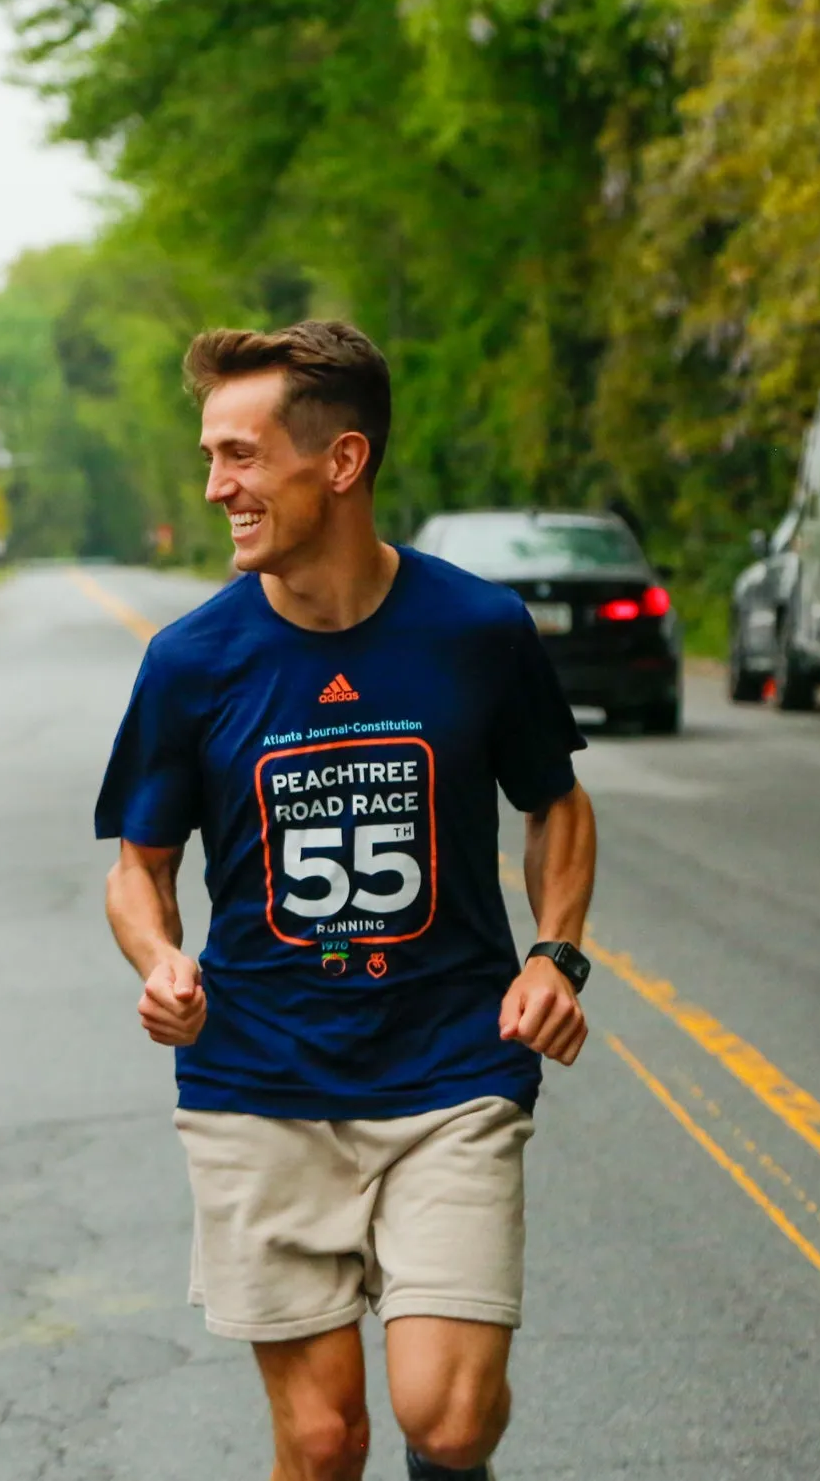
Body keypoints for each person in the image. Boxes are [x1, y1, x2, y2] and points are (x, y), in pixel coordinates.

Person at [95, 322, 596, 1481]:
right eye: (209, 458)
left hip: (448, 1073)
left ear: (340, 462)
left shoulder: (475, 631)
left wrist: (553, 956)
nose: (215, 486)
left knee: (447, 1419)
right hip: (258, 1083)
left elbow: (554, 805)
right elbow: (138, 864)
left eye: (238, 456)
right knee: (321, 1443)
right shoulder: (190, 661)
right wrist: (161, 959)